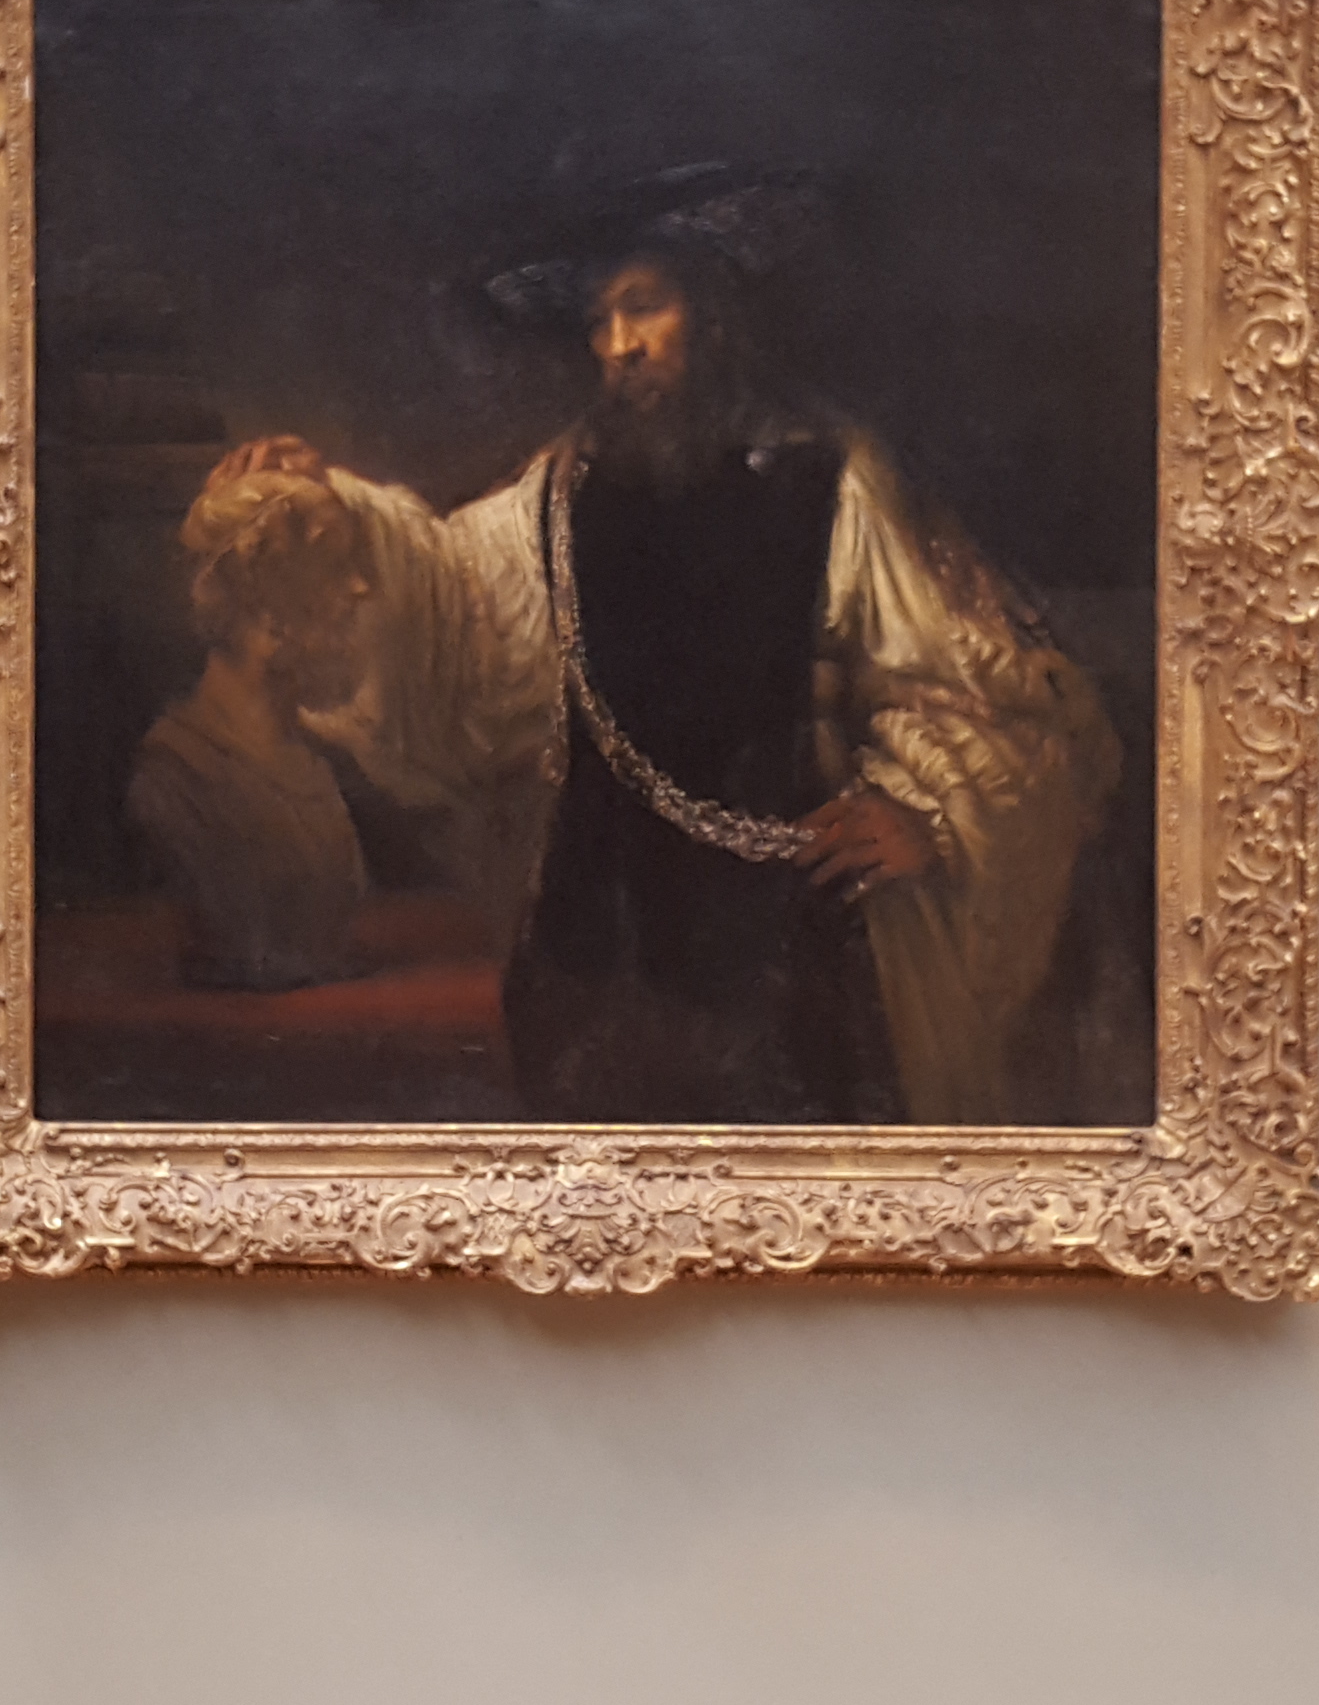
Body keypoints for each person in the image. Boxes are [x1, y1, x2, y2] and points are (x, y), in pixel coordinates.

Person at [209, 183, 1116, 1124]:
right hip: (590, 958)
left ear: (713, 315)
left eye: (643, 307)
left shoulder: (829, 478)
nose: (617, 345)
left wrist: (927, 812)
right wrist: (330, 511)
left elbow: (963, 683)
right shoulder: (561, 490)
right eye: (598, 321)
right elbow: (452, 603)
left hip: (786, 952)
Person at [127, 454, 382, 988]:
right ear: (263, 601)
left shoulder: (315, 763)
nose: (360, 588)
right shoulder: (180, 775)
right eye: (335, 566)